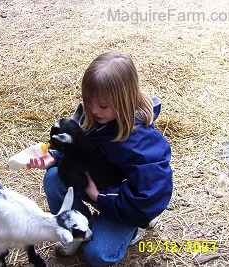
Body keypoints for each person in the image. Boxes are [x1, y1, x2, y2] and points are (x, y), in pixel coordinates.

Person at [27, 51, 173, 266]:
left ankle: (135, 229)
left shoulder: (144, 145)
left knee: (98, 255)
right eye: (89, 101)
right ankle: (75, 228)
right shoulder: (94, 116)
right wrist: (55, 157)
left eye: (103, 105)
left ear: (124, 100)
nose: (93, 110)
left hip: (124, 204)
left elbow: (147, 196)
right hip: (99, 187)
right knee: (53, 177)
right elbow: (82, 151)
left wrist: (100, 196)